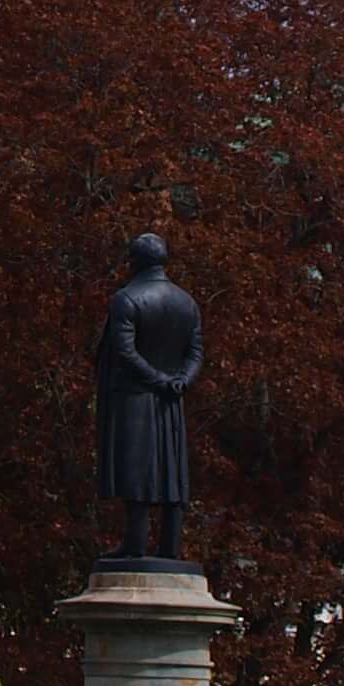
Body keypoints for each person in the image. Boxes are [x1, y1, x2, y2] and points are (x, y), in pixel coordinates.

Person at [94, 231, 203, 562]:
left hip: (138, 395)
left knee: (138, 470)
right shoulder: (187, 302)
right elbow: (195, 351)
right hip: (171, 395)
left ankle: (135, 544)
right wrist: (180, 380)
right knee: (170, 470)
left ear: (134, 261)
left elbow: (124, 352)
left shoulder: (126, 299)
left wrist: (160, 380)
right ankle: (169, 546)